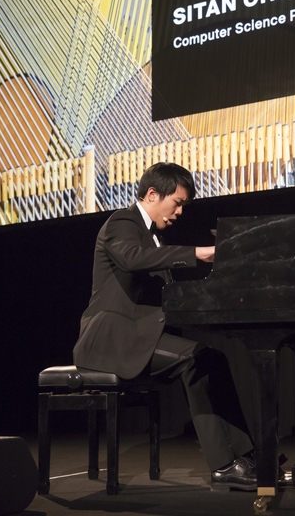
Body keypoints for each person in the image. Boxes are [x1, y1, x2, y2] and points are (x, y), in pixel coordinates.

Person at [73, 162, 256, 490]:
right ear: (153, 194)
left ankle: (248, 457)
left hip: (136, 337)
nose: (181, 212)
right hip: (108, 340)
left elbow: (164, 294)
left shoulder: (153, 238)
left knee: (214, 358)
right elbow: (131, 258)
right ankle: (224, 465)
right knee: (196, 359)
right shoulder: (123, 222)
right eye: (179, 202)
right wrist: (198, 253)